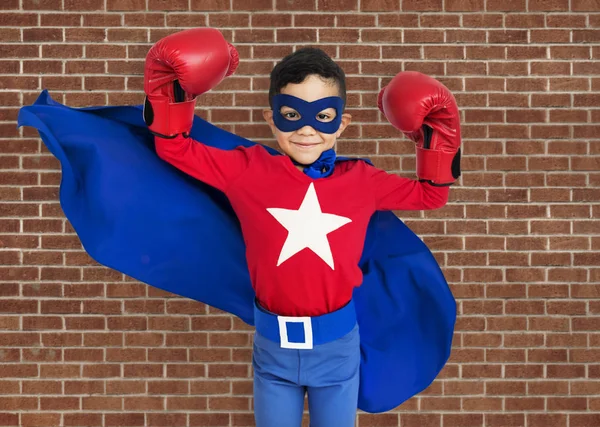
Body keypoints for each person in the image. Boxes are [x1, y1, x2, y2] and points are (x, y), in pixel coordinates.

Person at [143, 27, 461, 427]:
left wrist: (436, 134)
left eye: (322, 116)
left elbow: (430, 195)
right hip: (272, 348)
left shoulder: (360, 180)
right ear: (270, 118)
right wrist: (170, 85)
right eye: (292, 115)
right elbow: (173, 145)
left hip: (338, 347)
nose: (307, 129)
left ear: (341, 124)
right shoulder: (247, 169)